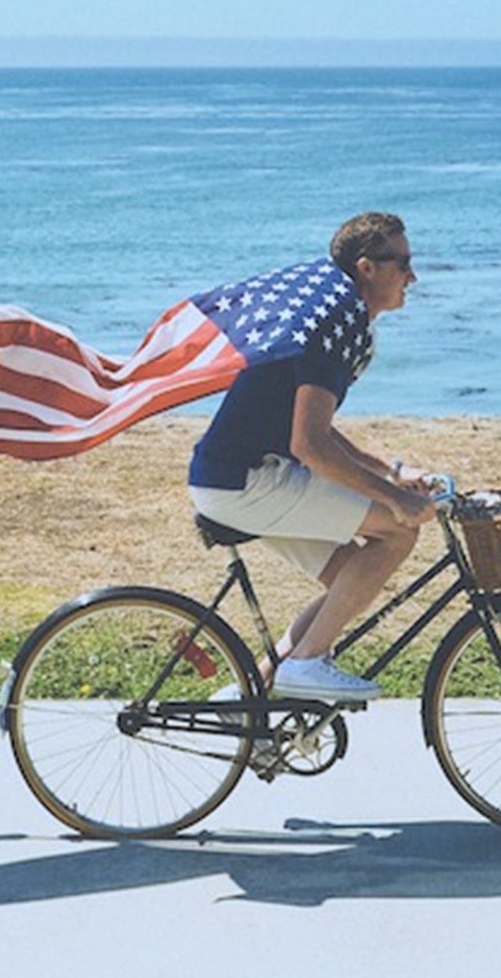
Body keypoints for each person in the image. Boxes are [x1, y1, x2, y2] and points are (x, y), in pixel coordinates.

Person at [186, 212, 437, 702]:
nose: (413, 275)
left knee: (351, 579)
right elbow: (311, 447)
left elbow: (315, 431)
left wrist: (391, 473)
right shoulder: (333, 325)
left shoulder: (334, 315)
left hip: (236, 477)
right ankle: (305, 664)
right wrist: (395, 500)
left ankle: (251, 697)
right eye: (403, 262)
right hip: (247, 482)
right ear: (367, 268)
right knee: (398, 530)